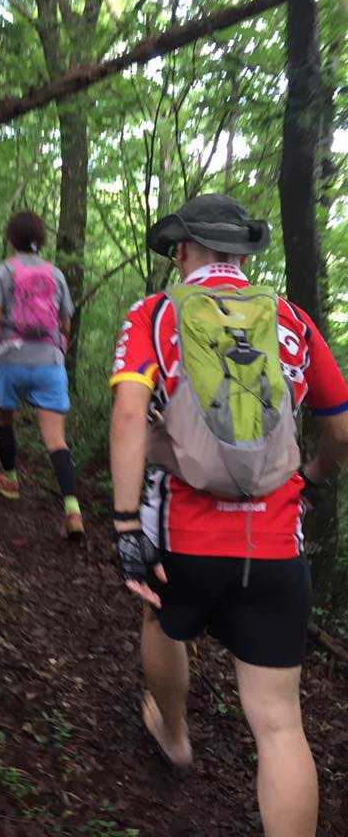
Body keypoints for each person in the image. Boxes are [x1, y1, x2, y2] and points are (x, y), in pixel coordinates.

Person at [109, 193, 348, 837]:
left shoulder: (156, 314)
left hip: (183, 537)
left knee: (161, 621)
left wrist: (127, 525)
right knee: (279, 723)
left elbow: (129, 414)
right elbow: (342, 430)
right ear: (243, 254)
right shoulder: (292, 320)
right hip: (274, 545)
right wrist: (313, 475)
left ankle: (174, 734)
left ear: (182, 251)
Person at [0, 210, 84, 539]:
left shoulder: (1, 271)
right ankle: (72, 509)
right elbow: (65, 323)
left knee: (2, 418)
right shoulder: (55, 274)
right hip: (49, 362)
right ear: (42, 240)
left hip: (9, 360)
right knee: (56, 439)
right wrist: (58, 351)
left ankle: (10, 479)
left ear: (10, 239)